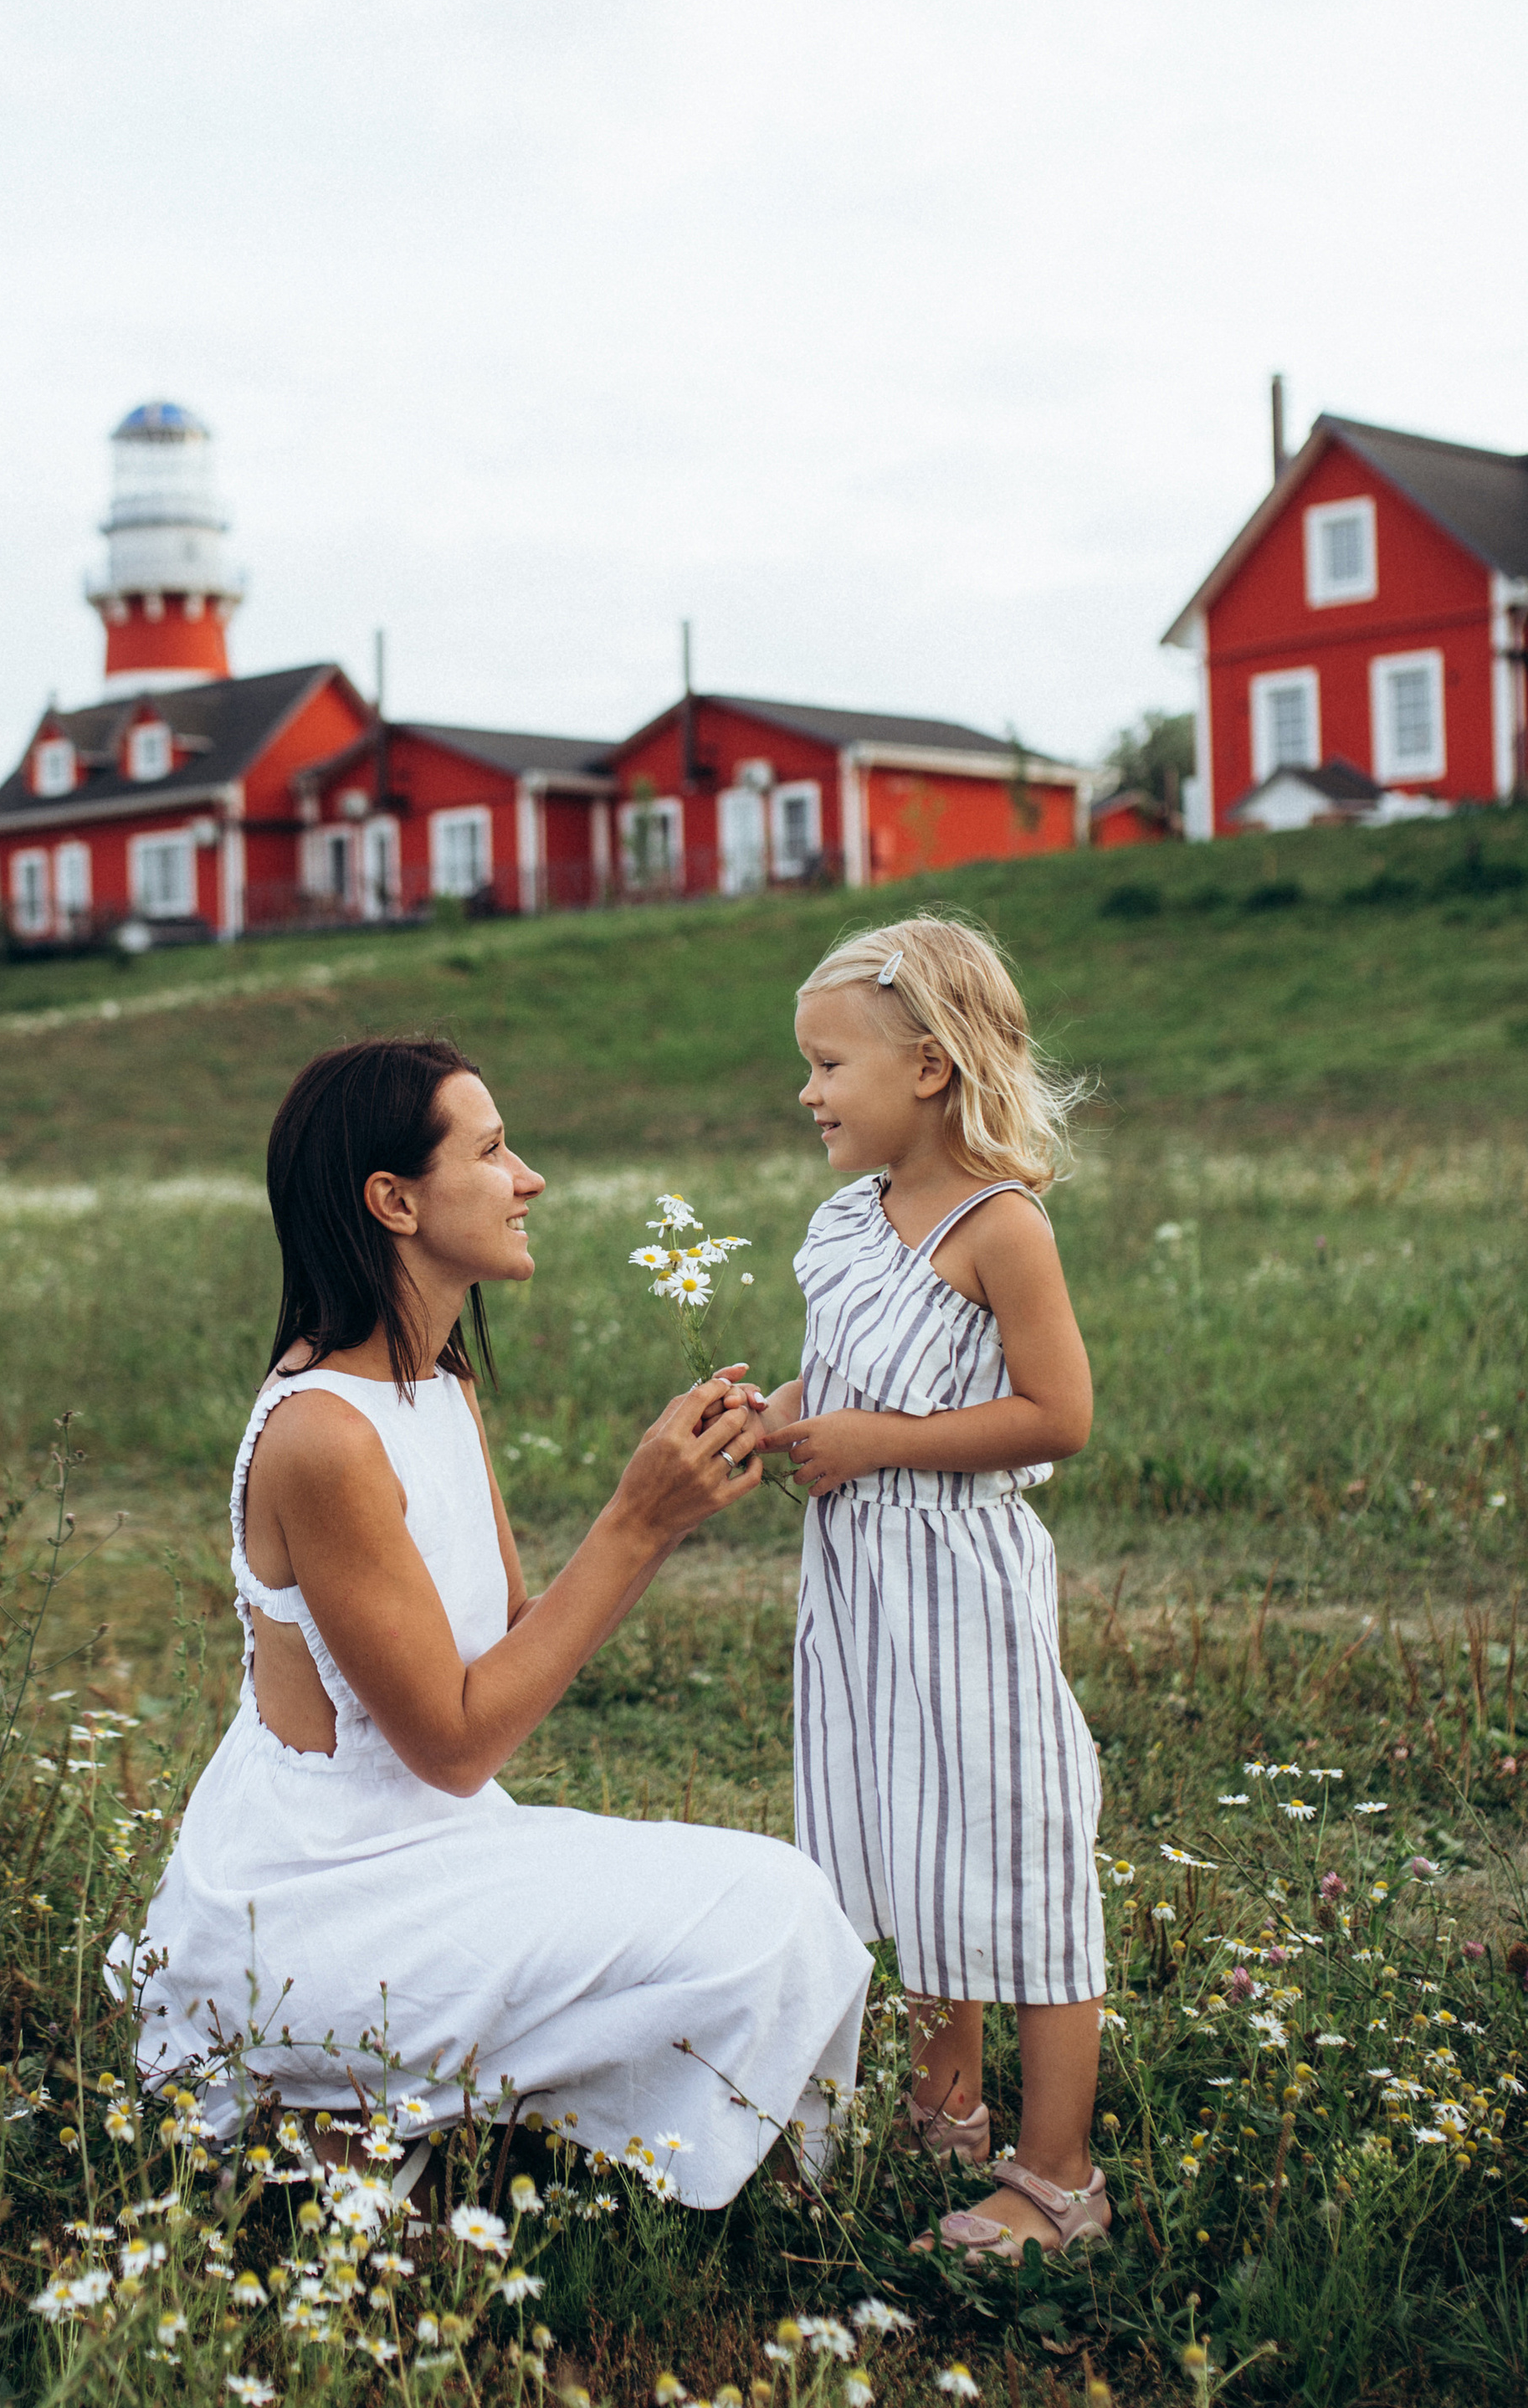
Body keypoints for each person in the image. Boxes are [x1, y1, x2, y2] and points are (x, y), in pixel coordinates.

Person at [134, 1034, 870, 2209]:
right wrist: (638, 1519)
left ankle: (403, 2116)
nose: (529, 1179)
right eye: (490, 1151)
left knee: (785, 1903)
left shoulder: (438, 1384)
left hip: (437, 1852)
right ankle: (329, 2098)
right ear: (394, 1201)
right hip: (322, 1897)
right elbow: (458, 1740)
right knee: (770, 1911)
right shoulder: (322, 1434)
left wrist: (675, 1497)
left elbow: (509, 1635)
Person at [754, 917, 1110, 2257]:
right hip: (853, 1588)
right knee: (892, 1840)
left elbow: (1058, 1414)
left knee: (1009, 1850)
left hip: (961, 1583)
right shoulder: (846, 1218)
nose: (808, 1092)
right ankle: (944, 2104)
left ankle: (1058, 2176)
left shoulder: (1001, 1224)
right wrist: (783, 1414)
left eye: (830, 1063)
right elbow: (844, 1377)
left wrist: (878, 1446)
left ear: (929, 1066)